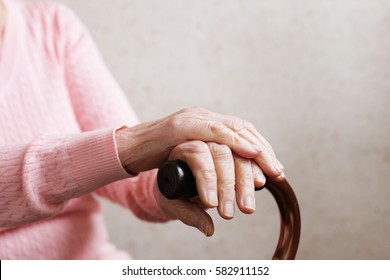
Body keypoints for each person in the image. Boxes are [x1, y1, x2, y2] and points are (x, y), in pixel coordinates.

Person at [0, 0, 285, 259]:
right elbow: (126, 150)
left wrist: (179, 172)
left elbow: (132, 174)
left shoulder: (51, 24)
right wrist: (131, 145)